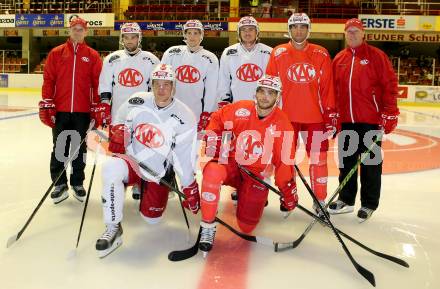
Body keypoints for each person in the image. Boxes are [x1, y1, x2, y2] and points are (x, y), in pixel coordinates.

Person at [95, 64, 200, 258]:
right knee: (110, 168)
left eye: (166, 84)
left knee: (152, 220)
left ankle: (154, 195)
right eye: (157, 84)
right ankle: (113, 227)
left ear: (174, 87)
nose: (161, 89)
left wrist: (189, 186)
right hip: (132, 163)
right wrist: (118, 131)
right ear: (150, 85)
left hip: (158, 173)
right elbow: (120, 115)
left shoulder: (185, 116)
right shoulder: (137, 100)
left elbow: (185, 158)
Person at [198, 75, 298, 255]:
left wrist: (287, 189)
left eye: (271, 93)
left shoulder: (283, 124)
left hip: (256, 175)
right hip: (233, 165)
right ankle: (207, 226)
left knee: (247, 226)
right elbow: (217, 119)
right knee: (212, 171)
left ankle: (249, 197)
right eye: (261, 91)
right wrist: (215, 145)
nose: (265, 97)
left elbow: (284, 162)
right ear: (256, 92)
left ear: (278, 96)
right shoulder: (241, 109)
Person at [265, 13, 337, 217]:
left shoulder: (321, 53)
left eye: (302, 27)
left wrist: (331, 113)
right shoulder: (278, 52)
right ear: (289, 29)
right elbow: (269, 86)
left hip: (316, 118)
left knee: (319, 160)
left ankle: (320, 200)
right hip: (286, 118)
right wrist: (268, 113)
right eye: (295, 27)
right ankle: (288, 197)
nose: (298, 30)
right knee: (285, 160)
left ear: (308, 29)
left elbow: (327, 87)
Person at [329, 18, 399, 222]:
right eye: (348, 32)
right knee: (347, 162)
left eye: (355, 31)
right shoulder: (339, 59)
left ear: (363, 34)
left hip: (370, 121)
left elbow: (390, 84)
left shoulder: (377, 56)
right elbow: (333, 90)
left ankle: (368, 204)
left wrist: (390, 111)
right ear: (344, 35)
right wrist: (333, 115)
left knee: (371, 164)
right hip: (346, 121)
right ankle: (346, 199)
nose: (352, 35)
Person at [38, 17, 102, 204]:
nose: (78, 32)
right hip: (60, 110)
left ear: (86, 32)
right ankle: (59, 184)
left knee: (79, 148)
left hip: (82, 111)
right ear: (69, 31)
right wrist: (48, 102)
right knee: (59, 148)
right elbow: (49, 79)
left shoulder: (92, 55)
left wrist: (97, 106)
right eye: (75, 28)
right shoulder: (56, 53)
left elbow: (97, 83)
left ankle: (77, 183)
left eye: (81, 29)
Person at [96, 22, 160, 199]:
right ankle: (119, 181)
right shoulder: (112, 59)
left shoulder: (151, 60)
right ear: (122, 38)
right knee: (119, 150)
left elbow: (156, 87)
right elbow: (105, 84)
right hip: (119, 114)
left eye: (134, 37)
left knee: (142, 149)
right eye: (126, 37)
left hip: (143, 114)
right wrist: (105, 105)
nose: (130, 40)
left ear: (139, 38)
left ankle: (139, 182)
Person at [161, 19, 219, 134]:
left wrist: (207, 112)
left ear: (201, 35)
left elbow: (211, 90)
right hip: (171, 110)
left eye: (196, 33)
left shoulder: (210, 58)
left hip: (196, 113)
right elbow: (160, 82)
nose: (192, 36)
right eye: (189, 33)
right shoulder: (172, 53)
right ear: (184, 34)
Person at [217, 16, 272, 106]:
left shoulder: (269, 52)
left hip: (262, 106)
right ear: (239, 33)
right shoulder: (228, 52)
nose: (247, 32)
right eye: (243, 29)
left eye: (251, 29)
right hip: (236, 104)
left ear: (257, 32)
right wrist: (224, 100)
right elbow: (223, 80)